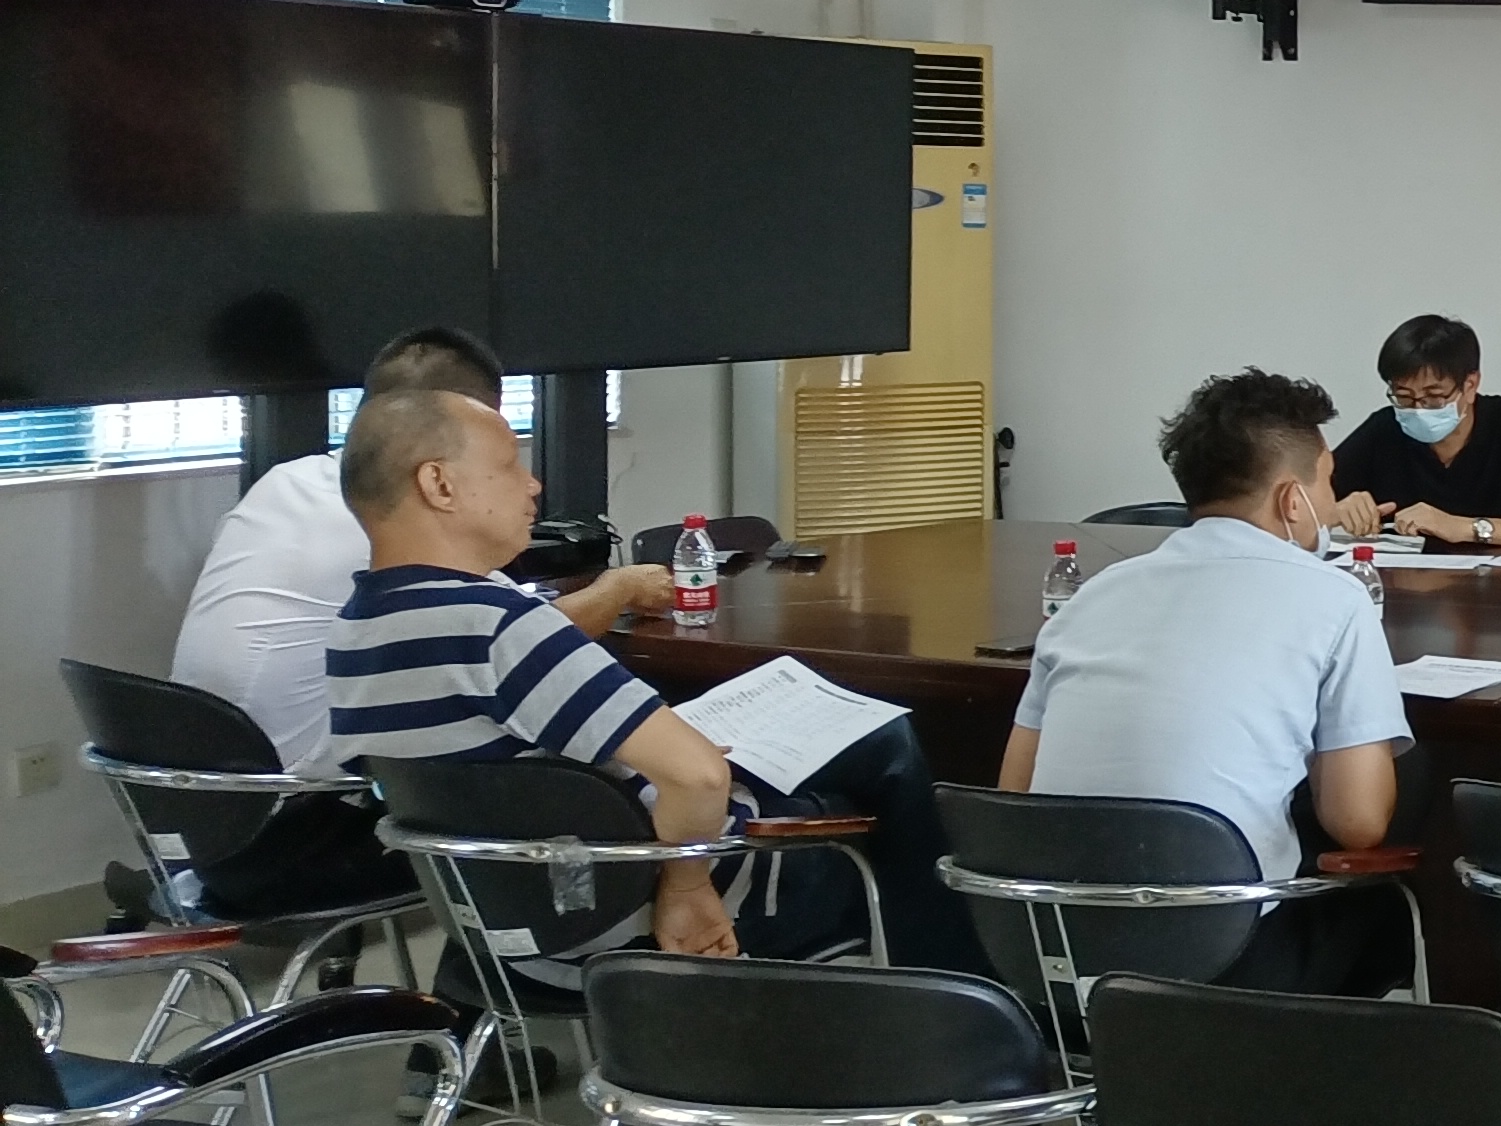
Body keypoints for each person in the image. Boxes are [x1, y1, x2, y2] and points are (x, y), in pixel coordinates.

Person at [321, 389, 969, 979]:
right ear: (439, 484)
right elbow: (699, 778)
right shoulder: (498, 627)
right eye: (510, 465)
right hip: (636, 909)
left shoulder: (354, 633)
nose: (533, 484)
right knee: (888, 752)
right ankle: (964, 1001)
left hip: (510, 933)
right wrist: (686, 888)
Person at [165, 324, 674, 914]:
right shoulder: (397, 527)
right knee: (597, 777)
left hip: (211, 819)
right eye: (500, 451)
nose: (522, 476)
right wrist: (618, 588)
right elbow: (535, 640)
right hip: (304, 833)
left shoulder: (286, 481)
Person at [1003, 368, 1419, 994]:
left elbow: (1016, 793)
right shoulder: (1333, 599)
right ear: (1291, 500)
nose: (1332, 505)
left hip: (1058, 951)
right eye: (1327, 483)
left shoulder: (1090, 597)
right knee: (1384, 898)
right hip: (1224, 962)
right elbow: (1357, 823)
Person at [1327, 313, 1501, 552]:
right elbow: (1304, 507)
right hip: (1408, 588)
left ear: (1470, 386)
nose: (1418, 409)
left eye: (1434, 396)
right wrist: (1338, 511)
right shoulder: (1384, 429)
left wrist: (1465, 528)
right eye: (1404, 397)